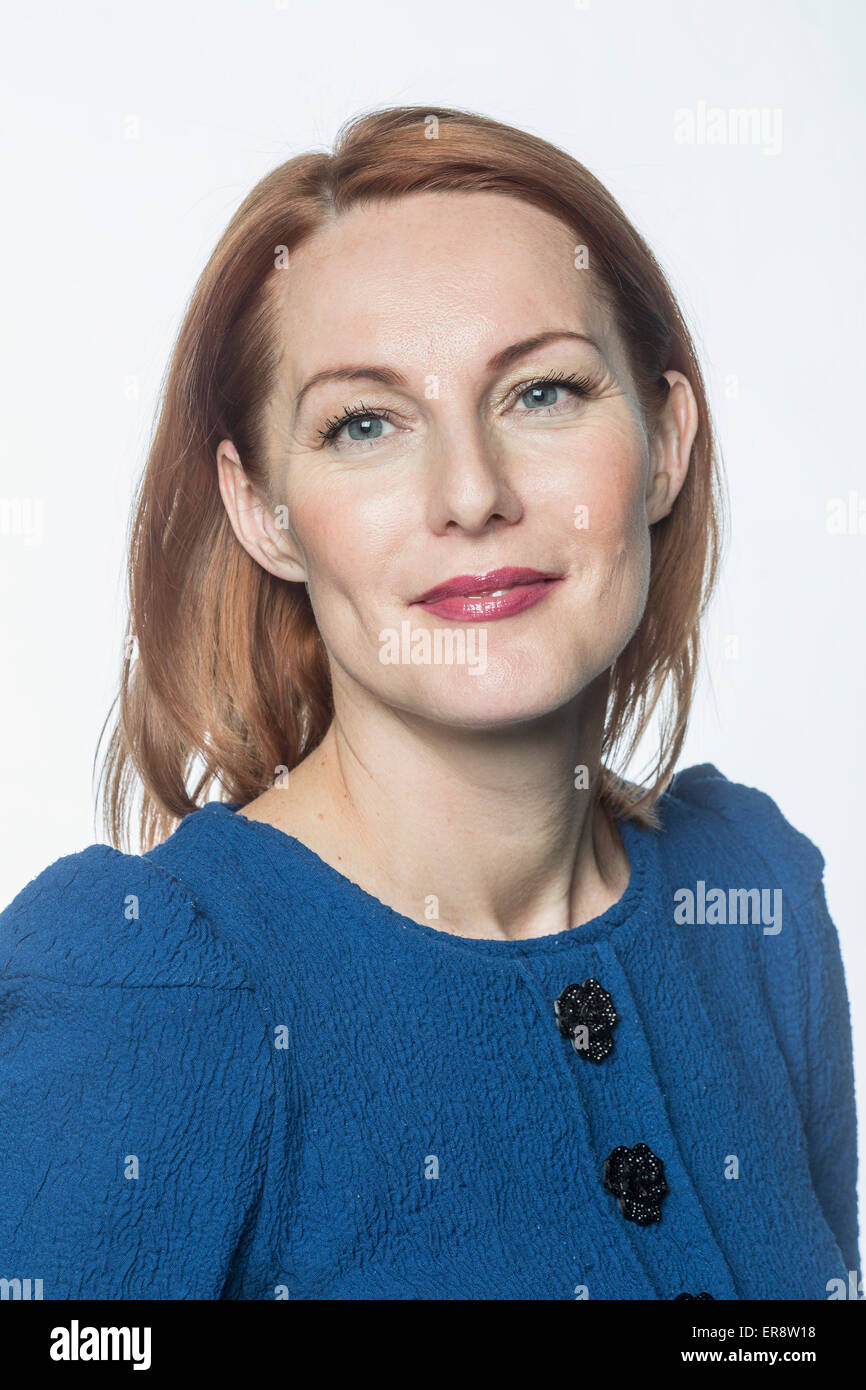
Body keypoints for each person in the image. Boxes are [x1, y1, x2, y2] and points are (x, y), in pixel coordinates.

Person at [0, 105, 858, 1300]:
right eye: (363, 423)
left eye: (542, 393)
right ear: (263, 510)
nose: (471, 492)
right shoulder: (146, 988)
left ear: (662, 442)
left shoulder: (751, 902)